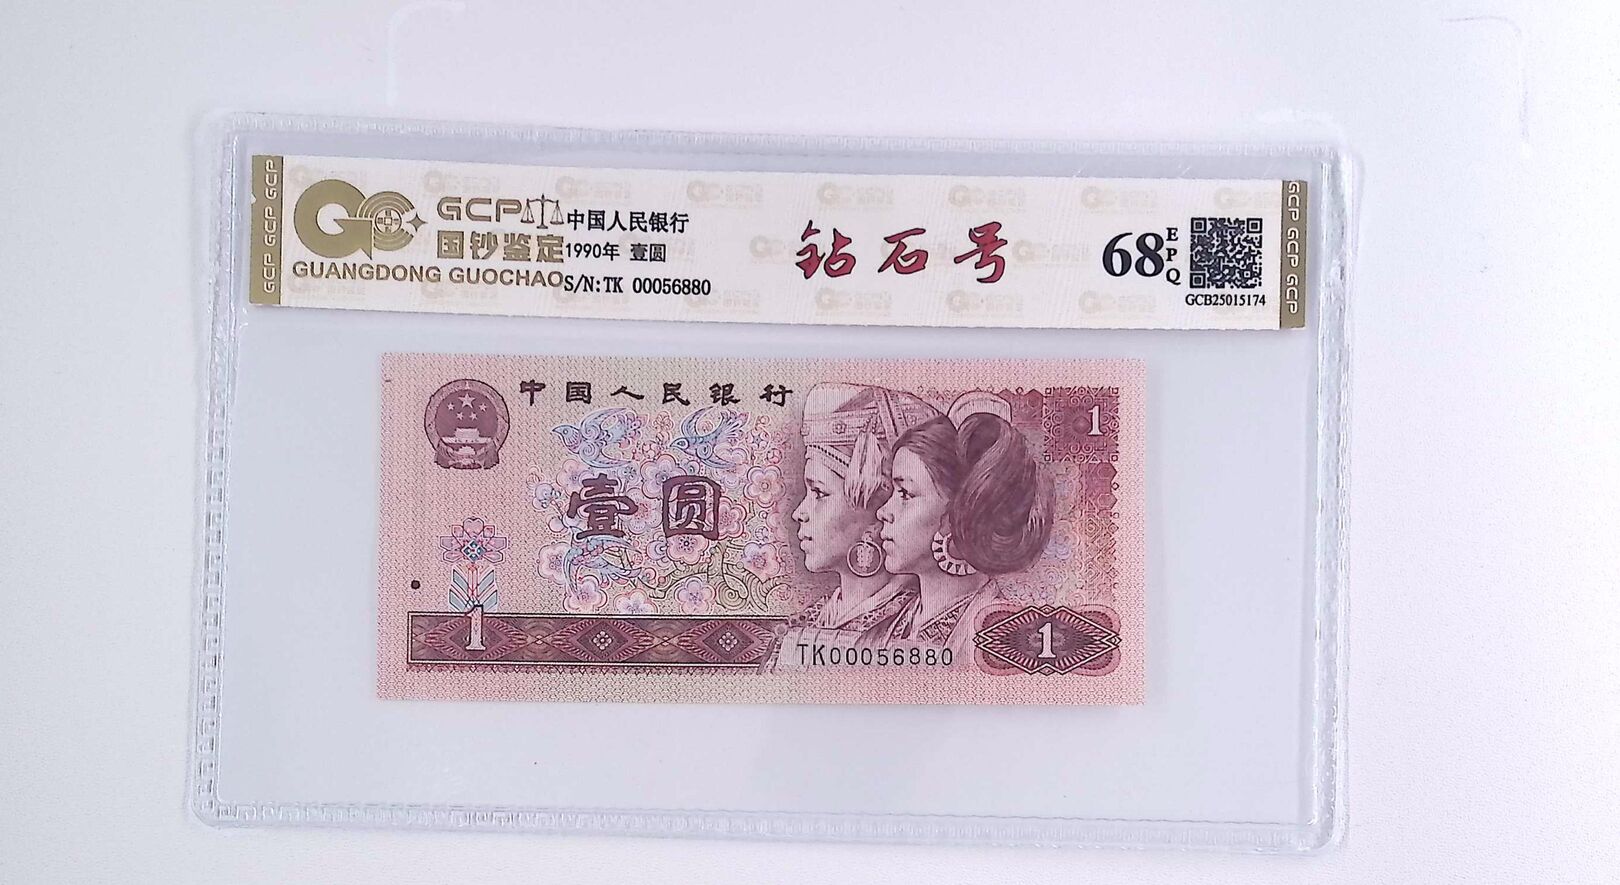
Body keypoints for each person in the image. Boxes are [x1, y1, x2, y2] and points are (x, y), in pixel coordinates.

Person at [766, 384, 940, 669]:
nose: (799, 513)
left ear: (876, 513)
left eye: (819, 492)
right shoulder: (804, 625)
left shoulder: (918, 630)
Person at [875, 391, 1054, 662]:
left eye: (905, 494)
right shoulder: (883, 630)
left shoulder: (1003, 641)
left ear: (959, 512)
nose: (883, 512)